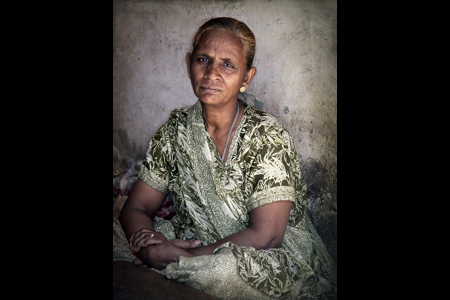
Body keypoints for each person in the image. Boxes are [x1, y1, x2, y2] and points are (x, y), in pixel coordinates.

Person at [113, 17, 336, 299]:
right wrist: (145, 244)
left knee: (224, 272)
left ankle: (177, 268)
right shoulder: (175, 131)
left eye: (228, 64)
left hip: (259, 253)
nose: (211, 73)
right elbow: (136, 208)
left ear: (246, 77)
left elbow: (267, 235)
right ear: (188, 63)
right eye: (203, 59)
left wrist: (183, 257)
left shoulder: (266, 135)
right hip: (193, 239)